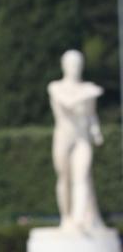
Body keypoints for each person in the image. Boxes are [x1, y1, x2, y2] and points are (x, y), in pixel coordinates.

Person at [48, 50, 104, 233]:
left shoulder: (87, 89)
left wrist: (96, 131)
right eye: (72, 64)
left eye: (78, 64)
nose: (75, 68)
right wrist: (88, 93)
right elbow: (68, 103)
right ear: (64, 66)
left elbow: (91, 115)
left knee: (82, 177)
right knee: (64, 178)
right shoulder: (56, 87)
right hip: (63, 137)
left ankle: (79, 219)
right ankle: (66, 218)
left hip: (82, 138)